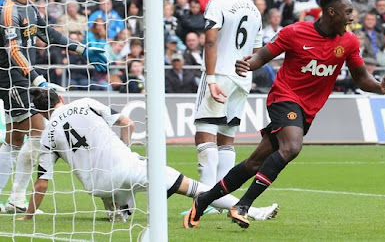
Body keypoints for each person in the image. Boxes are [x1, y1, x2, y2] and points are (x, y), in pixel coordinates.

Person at [184, 0, 385, 229]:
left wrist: (380, 87)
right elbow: (263, 55)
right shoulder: (295, 32)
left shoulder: (349, 42)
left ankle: (204, 200)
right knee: (292, 147)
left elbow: (361, 78)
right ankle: (242, 205)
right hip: (284, 97)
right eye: (347, 12)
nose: (351, 17)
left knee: (254, 162)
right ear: (331, 12)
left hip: (308, 110)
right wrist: (248, 64)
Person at [17, 88, 279, 222]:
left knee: (109, 184)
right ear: (60, 97)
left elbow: (42, 183)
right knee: (195, 188)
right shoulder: (84, 103)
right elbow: (128, 124)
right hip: (126, 168)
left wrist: (28, 216)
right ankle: (252, 211)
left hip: (97, 188)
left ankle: (119, 210)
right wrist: (125, 147)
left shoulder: (47, 136)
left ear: (41, 114)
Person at [0, 0, 107, 213]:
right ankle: (17, 198)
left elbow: (49, 34)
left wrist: (83, 50)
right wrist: (37, 79)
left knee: (14, 140)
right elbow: (12, 50)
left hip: (25, 78)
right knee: (40, 131)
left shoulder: (31, 9)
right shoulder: (8, 10)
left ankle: (15, 199)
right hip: (13, 79)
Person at [193, 0, 263, 190]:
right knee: (227, 137)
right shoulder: (254, 9)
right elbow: (256, 51)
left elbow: (211, 40)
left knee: (205, 131)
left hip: (220, 73)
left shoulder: (217, 3)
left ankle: (203, 196)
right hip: (242, 78)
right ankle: (219, 195)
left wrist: (211, 79)